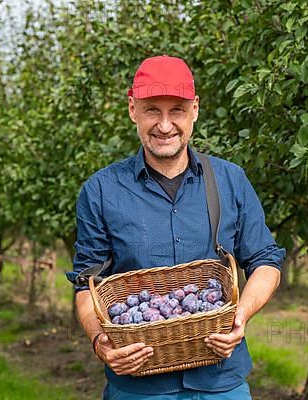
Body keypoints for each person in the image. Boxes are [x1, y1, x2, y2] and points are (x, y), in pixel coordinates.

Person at [68, 55, 285, 399]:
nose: (165, 125)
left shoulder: (230, 180)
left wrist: (239, 315)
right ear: (132, 109)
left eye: (177, 111)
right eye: (152, 109)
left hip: (220, 381)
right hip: (139, 386)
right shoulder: (101, 190)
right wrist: (100, 342)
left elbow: (266, 261)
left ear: (195, 110)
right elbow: (86, 284)